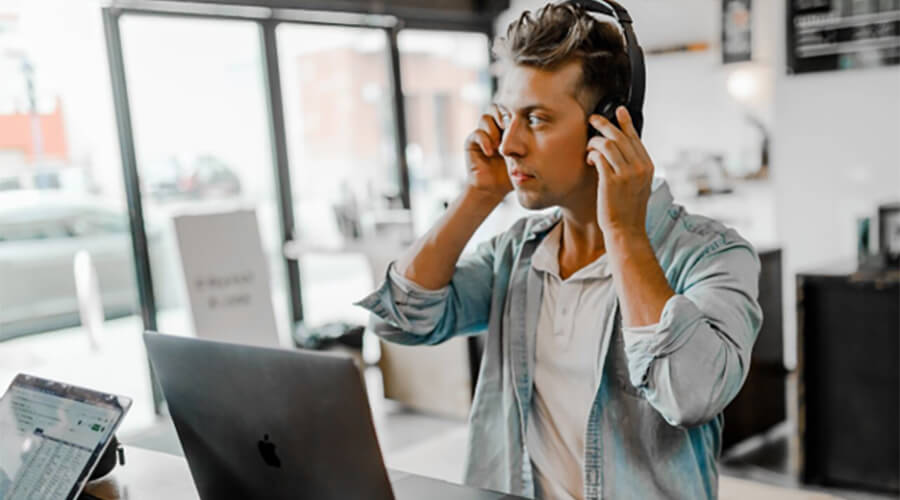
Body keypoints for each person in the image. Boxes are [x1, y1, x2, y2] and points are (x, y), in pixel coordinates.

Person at [355, 2, 762, 499]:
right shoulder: (517, 255)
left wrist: (625, 234)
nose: (509, 145)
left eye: (538, 119)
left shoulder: (712, 256)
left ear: (609, 127)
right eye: (508, 118)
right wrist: (478, 196)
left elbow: (691, 395)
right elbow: (399, 320)